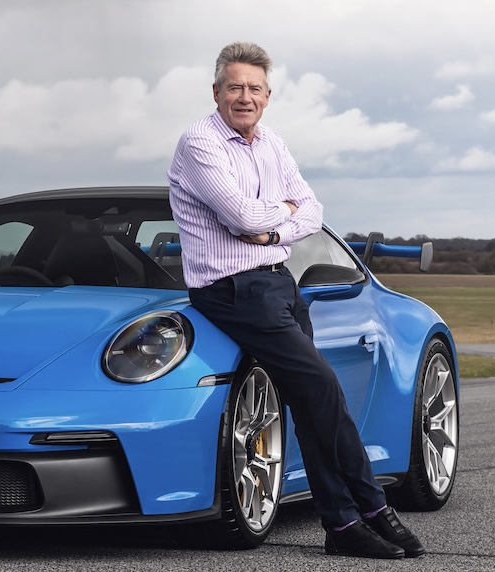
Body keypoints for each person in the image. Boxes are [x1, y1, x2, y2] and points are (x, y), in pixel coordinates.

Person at [167, 42, 425, 559]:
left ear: (268, 95)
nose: (245, 97)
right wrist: (274, 219)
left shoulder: (273, 144)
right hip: (231, 290)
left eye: (255, 89)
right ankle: (374, 507)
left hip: (279, 283)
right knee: (324, 389)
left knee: (311, 403)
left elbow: (312, 212)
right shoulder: (200, 143)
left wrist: (273, 229)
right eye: (235, 87)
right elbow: (240, 215)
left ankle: (341, 526)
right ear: (216, 91)